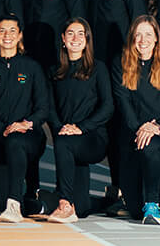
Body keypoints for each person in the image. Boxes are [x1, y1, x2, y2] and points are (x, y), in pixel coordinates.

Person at [90, 0, 146, 212]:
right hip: (98, 66)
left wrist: (133, 62)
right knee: (110, 129)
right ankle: (116, 186)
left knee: (124, 129)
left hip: (122, 67)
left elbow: (140, 23)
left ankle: (130, 191)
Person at [0, 15, 50, 224]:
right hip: (0, 137)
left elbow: (43, 108)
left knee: (16, 141)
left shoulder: (32, 67)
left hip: (29, 136)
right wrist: (1, 129)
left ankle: (14, 205)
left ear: (20, 35)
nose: (7, 35)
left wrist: (26, 124)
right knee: (2, 203)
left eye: (12, 30)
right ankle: (34, 201)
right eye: (2, 30)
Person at [45, 18, 113, 223]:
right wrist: (60, 127)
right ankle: (104, 202)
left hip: (92, 139)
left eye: (81, 34)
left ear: (87, 40)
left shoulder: (98, 68)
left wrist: (81, 128)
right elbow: (50, 107)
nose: (75, 38)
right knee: (82, 209)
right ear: (63, 39)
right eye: (70, 33)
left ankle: (64, 203)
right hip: (66, 135)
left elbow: (107, 107)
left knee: (63, 143)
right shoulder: (54, 71)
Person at [113, 16, 160, 226]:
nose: (143, 40)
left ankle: (152, 206)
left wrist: (155, 127)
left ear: (156, 39)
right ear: (132, 38)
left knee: (150, 146)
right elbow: (123, 104)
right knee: (133, 209)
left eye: (148, 34)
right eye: (138, 34)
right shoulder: (120, 64)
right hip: (132, 136)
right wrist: (141, 128)